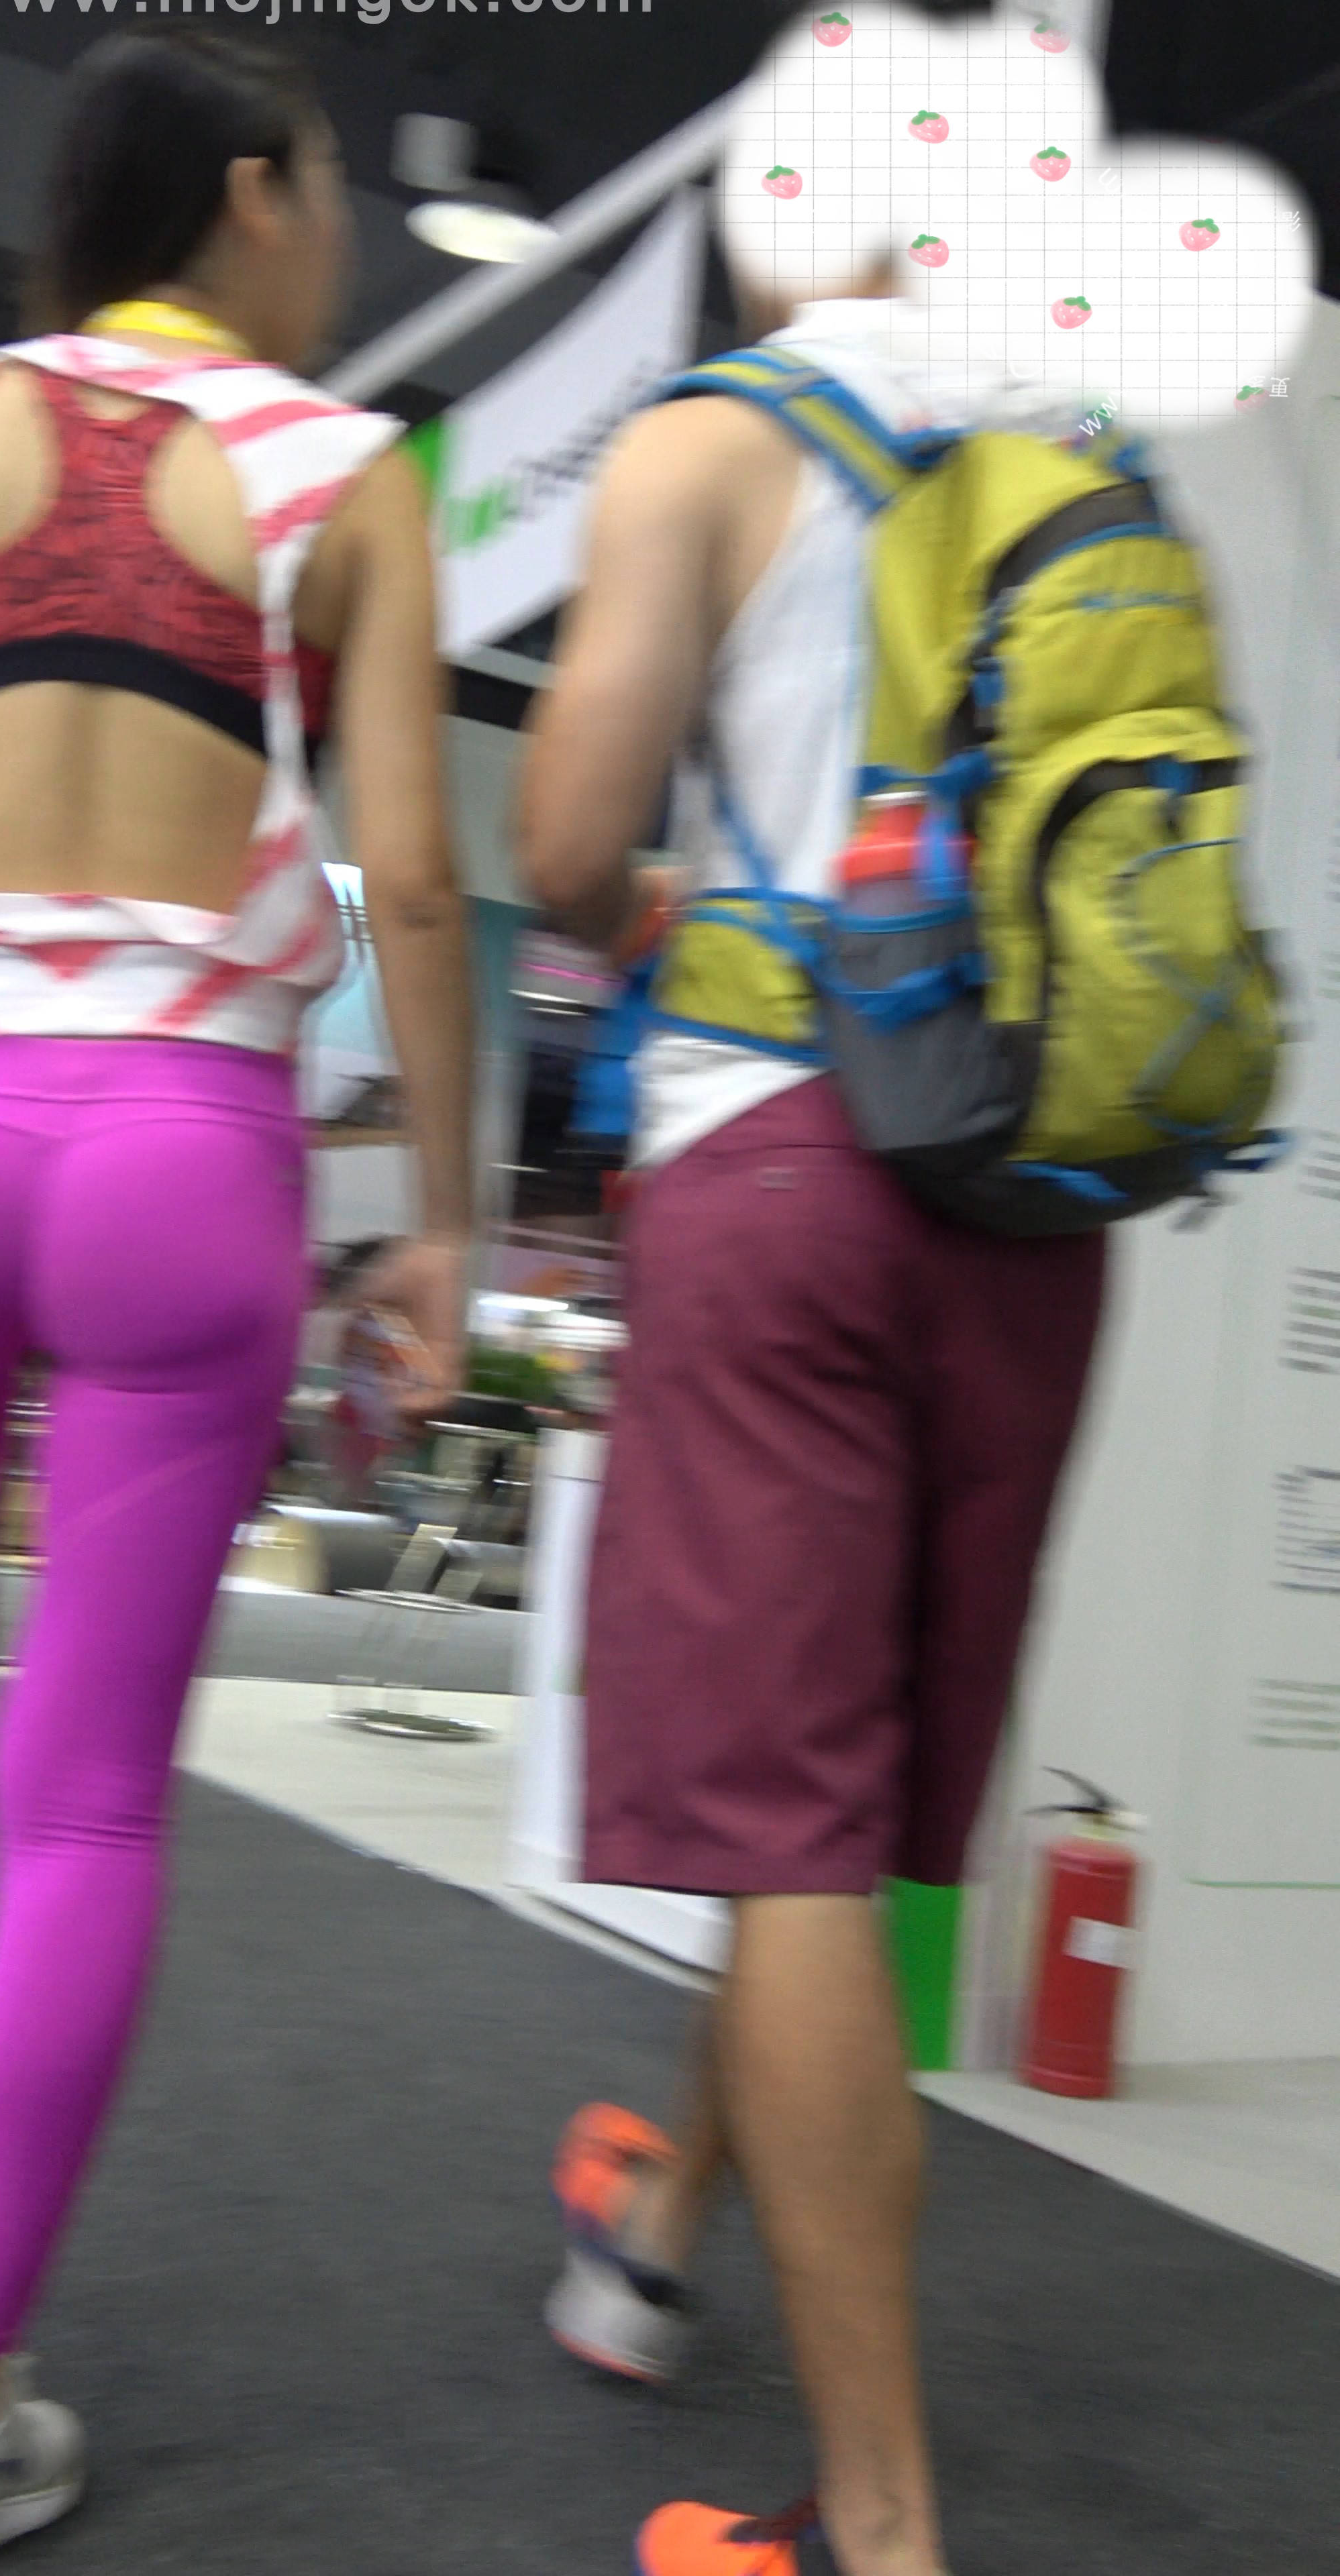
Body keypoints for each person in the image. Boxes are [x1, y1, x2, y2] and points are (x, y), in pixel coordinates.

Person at [517, 51, 1113, 2576]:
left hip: (777, 1170)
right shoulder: (1085, 467)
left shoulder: (709, 441)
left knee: (780, 1845)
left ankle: (877, 2532)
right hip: (1036, 1206)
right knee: (836, 1845)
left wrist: (669, 917)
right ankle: (658, 2239)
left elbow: (564, 841)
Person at [0, 31, 471, 2564]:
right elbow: (412, 884)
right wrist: (442, 1218)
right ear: (250, 196)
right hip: (178, 1152)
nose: (336, 238)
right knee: (88, 1793)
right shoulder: (345, 468)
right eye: (328, 190)